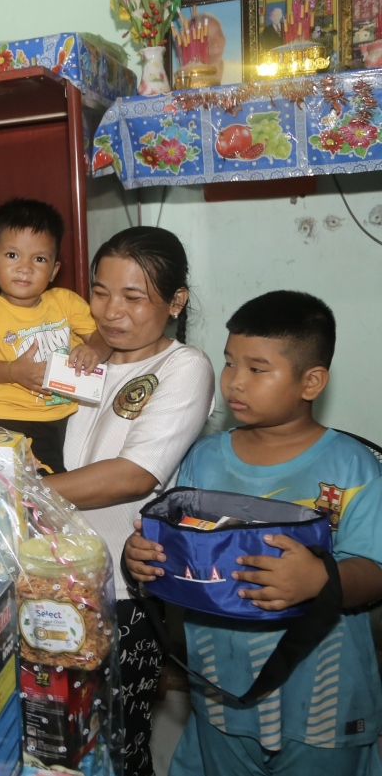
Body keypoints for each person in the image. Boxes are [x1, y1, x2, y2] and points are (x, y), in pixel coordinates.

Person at [126, 291, 382, 776]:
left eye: (258, 369)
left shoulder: (353, 465)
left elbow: (375, 569)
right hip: (223, 693)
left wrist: (319, 581)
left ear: (311, 381)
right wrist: (144, 556)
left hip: (323, 701)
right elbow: (183, 551)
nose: (235, 383)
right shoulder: (203, 458)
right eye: (229, 364)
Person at [43, 226, 215, 776]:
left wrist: (15, 493)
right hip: (49, 579)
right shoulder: (82, 357)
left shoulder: (182, 367)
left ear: (176, 301)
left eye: (133, 297)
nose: (112, 311)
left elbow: (134, 475)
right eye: (100, 292)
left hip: (124, 593)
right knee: (57, 743)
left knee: (119, 742)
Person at [0, 198, 110, 475]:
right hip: (7, 418)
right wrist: (13, 371)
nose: (25, 267)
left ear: (53, 270)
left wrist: (94, 352)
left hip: (67, 417)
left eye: (39, 259)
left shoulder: (65, 302)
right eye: (12, 255)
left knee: (58, 486)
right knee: (33, 488)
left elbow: (101, 337)